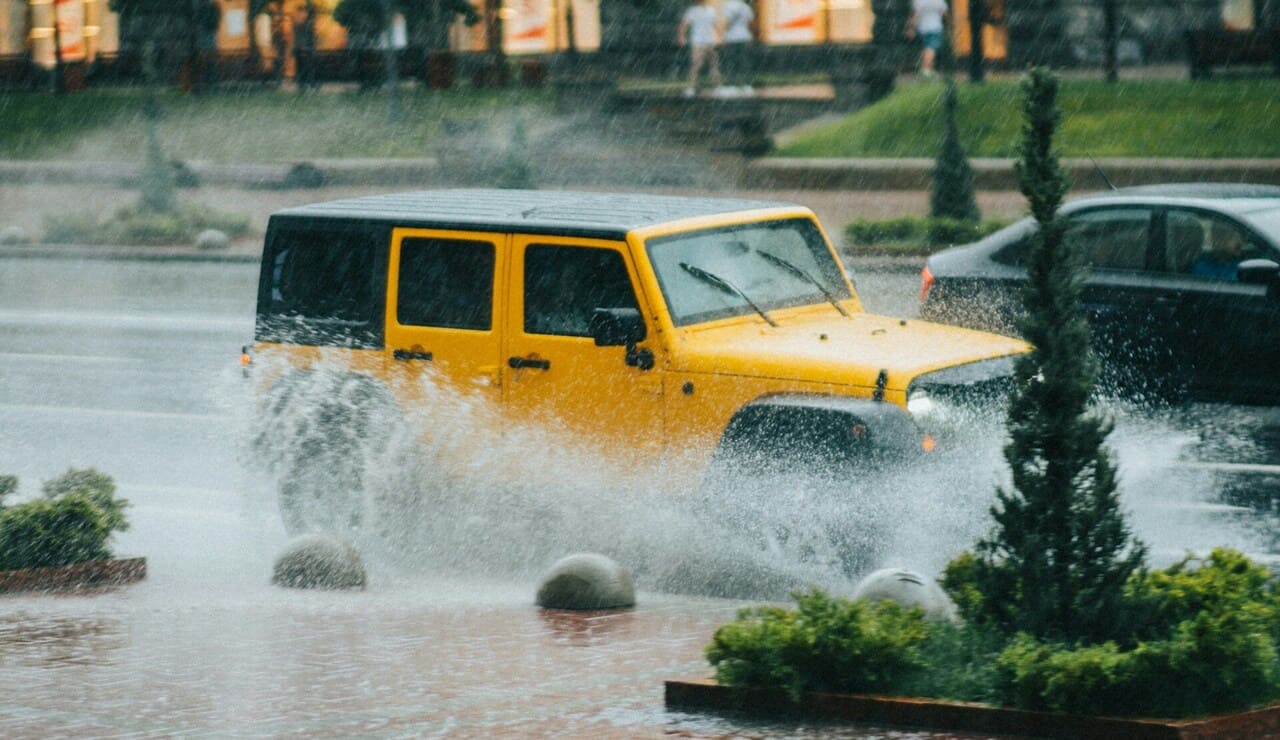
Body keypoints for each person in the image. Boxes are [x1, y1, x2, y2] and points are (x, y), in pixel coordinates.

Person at [677, 0, 725, 98]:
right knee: (696, 64)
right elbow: (684, 24)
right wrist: (681, 36)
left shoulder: (710, 10)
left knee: (714, 64)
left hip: (709, 40)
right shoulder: (692, 11)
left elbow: (715, 24)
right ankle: (690, 87)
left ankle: (717, 87)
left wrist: (720, 36)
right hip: (697, 41)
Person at [906, 0, 948, 79]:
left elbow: (915, 15)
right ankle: (926, 69)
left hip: (922, 28)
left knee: (926, 49)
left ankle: (928, 68)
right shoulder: (939, 1)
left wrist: (911, 28)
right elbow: (944, 14)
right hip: (935, 27)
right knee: (931, 48)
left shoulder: (919, 1)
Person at [720, 0, 755, 95]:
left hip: (732, 38)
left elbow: (727, 21)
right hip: (744, 37)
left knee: (731, 62)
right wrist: (751, 35)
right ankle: (747, 86)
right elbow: (751, 23)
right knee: (744, 62)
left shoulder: (728, 5)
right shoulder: (745, 7)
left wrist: (722, 34)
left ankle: (731, 86)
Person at [293, 2, 318, 91]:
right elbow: (307, 36)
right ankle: (308, 82)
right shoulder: (304, 23)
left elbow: (305, 36)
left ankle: (304, 82)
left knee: (303, 66)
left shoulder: (301, 22)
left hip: (302, 47)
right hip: (304, 48)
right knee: (307, 66)